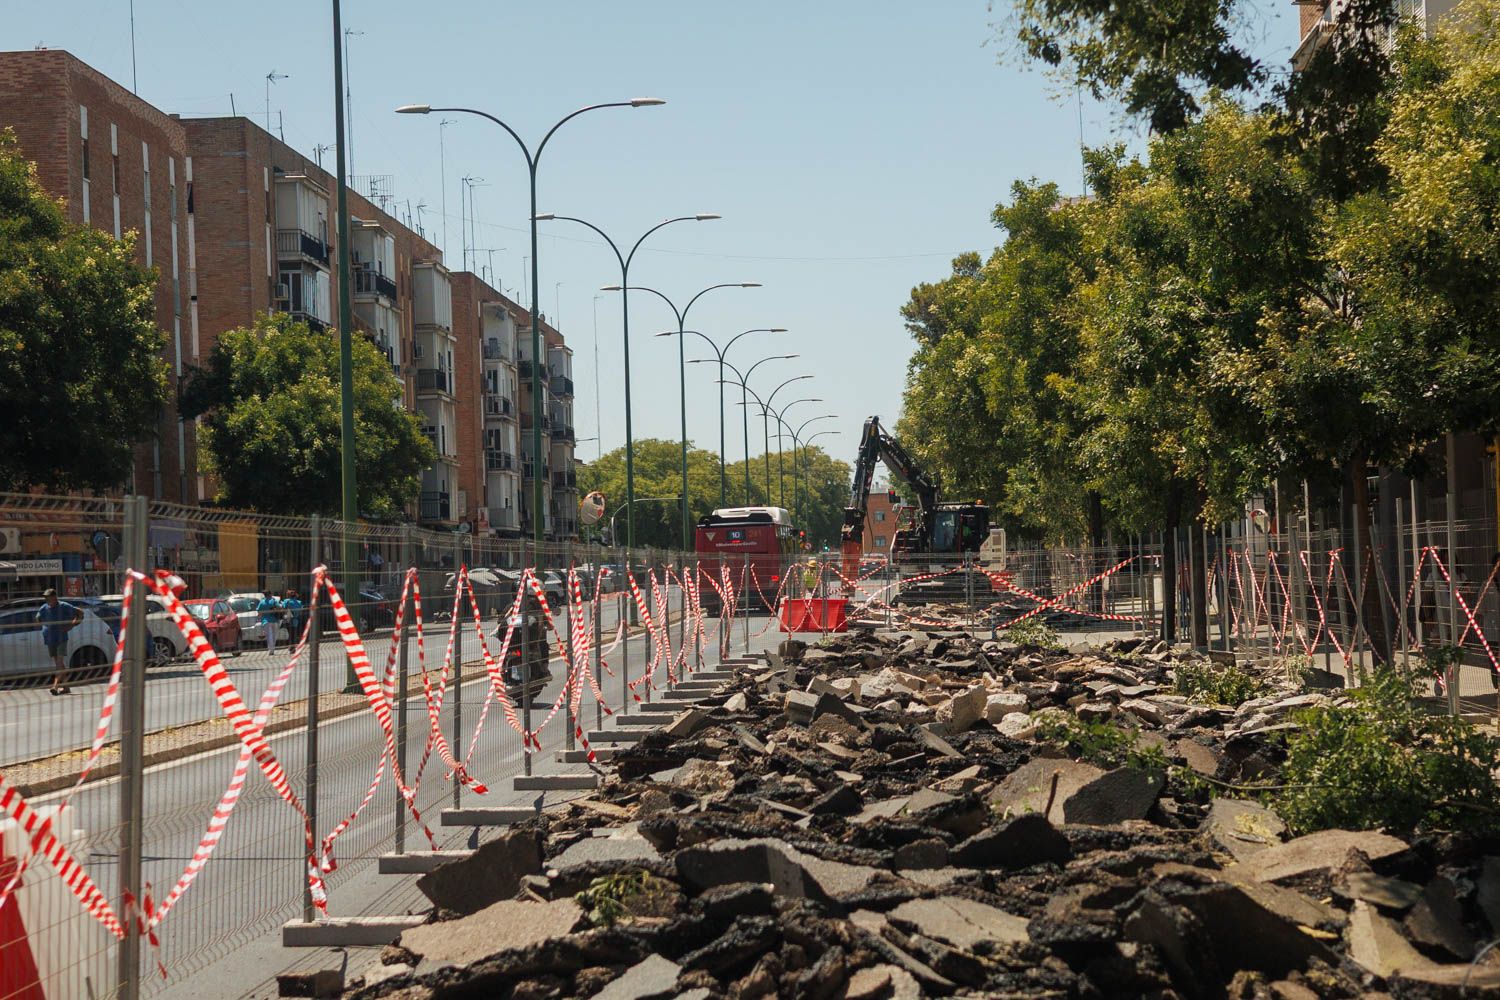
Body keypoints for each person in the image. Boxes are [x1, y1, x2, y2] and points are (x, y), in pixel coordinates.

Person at [36, 587, 83, 695]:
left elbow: (80, 613)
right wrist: (44, 626)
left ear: (55, 597)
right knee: (59, 664)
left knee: (59, 663)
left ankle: (55, 686)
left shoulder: (63, 606)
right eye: (45, 597)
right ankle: (66, 687)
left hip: (61, 638)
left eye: (49, 597)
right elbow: (38, 618)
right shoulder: (44, 607)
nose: (47, 599)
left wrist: (71, 625)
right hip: (49, 639)